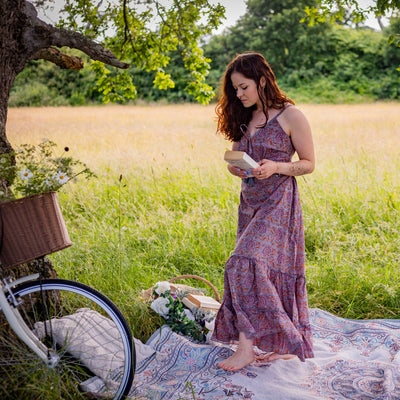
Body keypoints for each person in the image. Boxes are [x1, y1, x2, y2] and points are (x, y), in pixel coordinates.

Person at [211, 52, 315, 371]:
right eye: (235, 90)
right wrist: (238, 169)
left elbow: (309, 163)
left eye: (243, 87)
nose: (239, 94)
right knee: (259, 269)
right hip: (250, 202)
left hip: (279, 202)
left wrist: (278, 166)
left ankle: (245, 348)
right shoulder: (246, 117)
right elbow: (239, 160)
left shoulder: (291, 115)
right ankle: (282, 342)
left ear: (262, 80)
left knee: (242, 263)